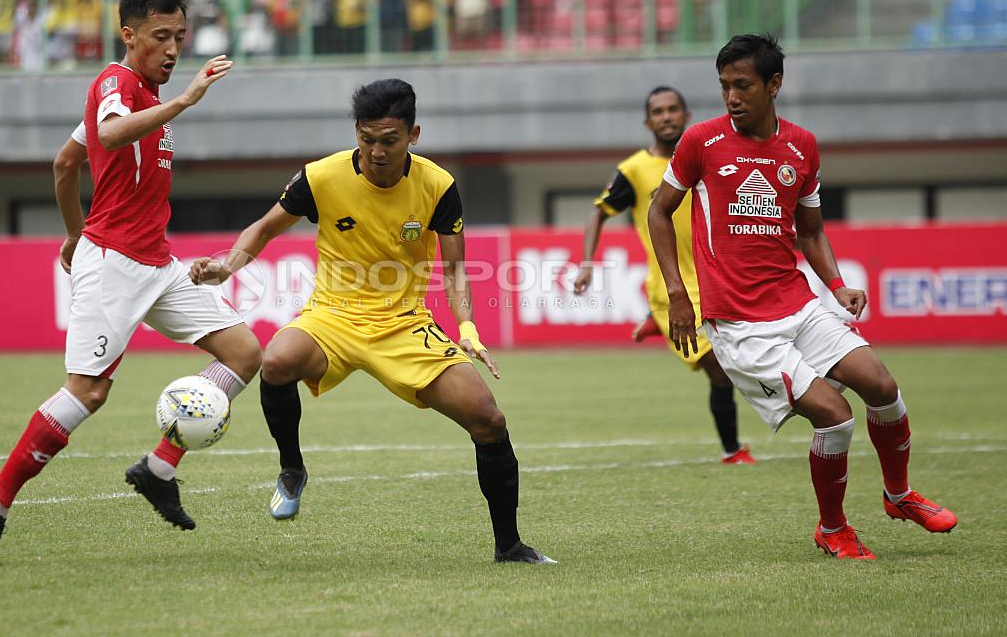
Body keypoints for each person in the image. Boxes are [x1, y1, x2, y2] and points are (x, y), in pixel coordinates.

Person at [188, 79, 554, 565]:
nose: (377, 151)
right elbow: (264, 228)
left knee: (488, 419)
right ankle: (292, 470)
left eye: (390, 140)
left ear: (413, 135)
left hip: (403, 324)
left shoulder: (438, 185)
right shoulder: (320, 177)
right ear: (356, 132)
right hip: (331, 316)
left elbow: (456, 270)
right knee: (276, 361)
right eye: (367, 139)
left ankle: (509, 546)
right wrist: (226, 266)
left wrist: (468, 331)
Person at [0, 0, 262, 566]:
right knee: (88, 391)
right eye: (160, 37)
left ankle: (158, 468)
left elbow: (66, 161)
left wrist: (72, 232)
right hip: (115, 264)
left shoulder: (141, 91)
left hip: (158, 262)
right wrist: (182, 102)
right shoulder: (117, 85)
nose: (174, 48)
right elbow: (107, 133)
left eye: (180, 36)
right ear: (130, 35)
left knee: (245, 351)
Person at [649, 33, 957, 560]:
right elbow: (659, 211)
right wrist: (679, 293)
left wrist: (838, 287)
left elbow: (810, 231)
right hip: (740, 325)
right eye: (724, 86)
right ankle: (833, 528)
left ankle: (899, 495)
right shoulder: (701, 141)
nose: (731, 97)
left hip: (798, 304)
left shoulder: (802, 145)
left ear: (774, 85)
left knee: (882, 386)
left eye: (742, 85)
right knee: (836, 416)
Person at [573, 86, 753, 465]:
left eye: (673, 109)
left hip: (720, 280)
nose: (667, 116)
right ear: (648, 121)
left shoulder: (708, 157)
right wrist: (587, 261)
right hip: (672, 289)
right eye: (659, 111)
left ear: (687, 115)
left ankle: (656, 325)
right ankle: (732, 450)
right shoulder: (634, 170)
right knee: (721, 370)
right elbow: (598, 212)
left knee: (746, 360)